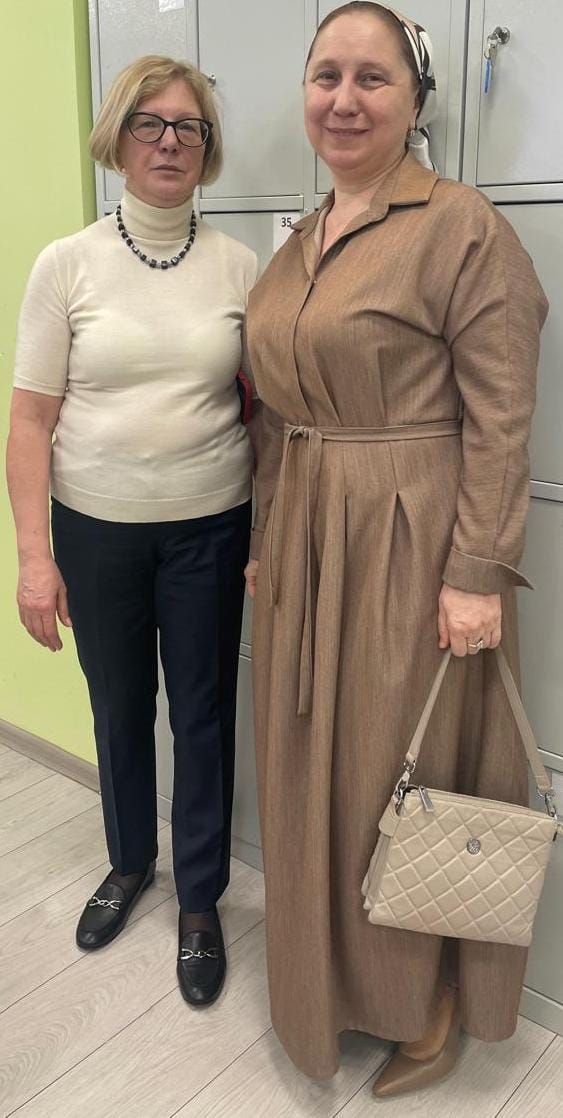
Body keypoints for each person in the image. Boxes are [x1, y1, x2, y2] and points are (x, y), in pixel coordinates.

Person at [244, 2, 548, 1096]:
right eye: (325, 75)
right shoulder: (297, 240)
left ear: (414, 99)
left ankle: (422, 1003)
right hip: (305, 544)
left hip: (407, 543)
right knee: (305, 771)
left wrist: (475, 573)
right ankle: (323, 982)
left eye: (370, 77)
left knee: (389, 773)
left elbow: (501, 416)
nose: (343, 98)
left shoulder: (459, 225)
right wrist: (266, 539)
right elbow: (275, 419)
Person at [7, 55, 258, 1008]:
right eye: (149, 123)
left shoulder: (240, 266)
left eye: (188, 127)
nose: (168, 142)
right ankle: (128, 863)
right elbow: (30, 420)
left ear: (207, 147)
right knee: (117, 707)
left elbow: (267, 414)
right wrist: (36, 560)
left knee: (200, 713)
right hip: (96, 532)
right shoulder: (66, 264)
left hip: (210, 529)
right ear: (116, 138)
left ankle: (199, 899)